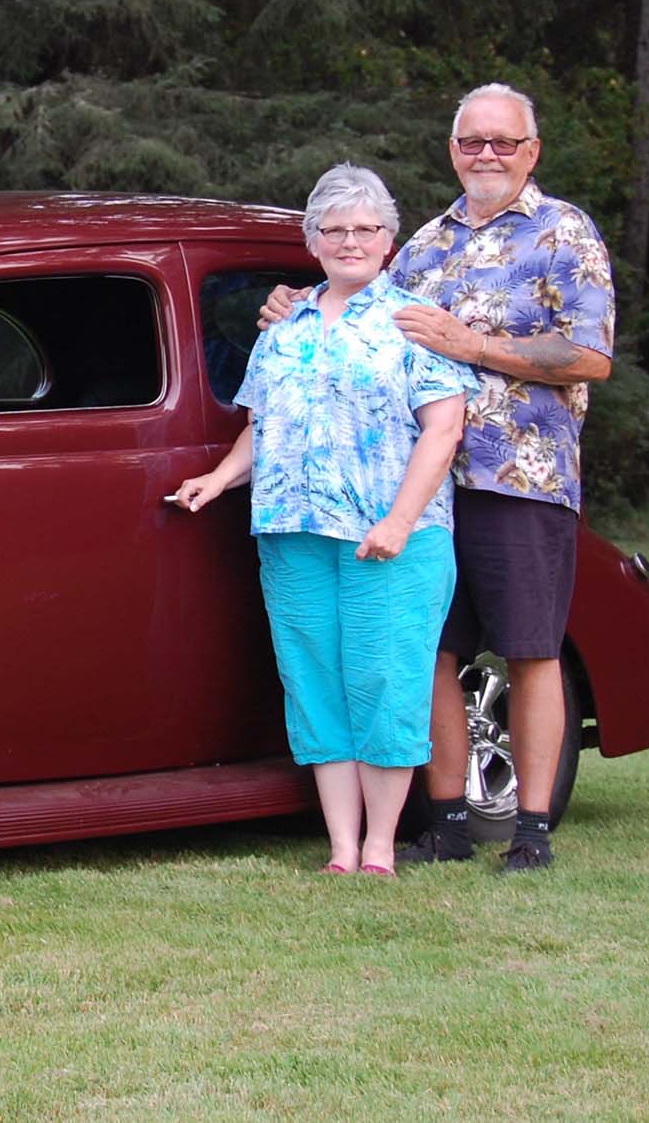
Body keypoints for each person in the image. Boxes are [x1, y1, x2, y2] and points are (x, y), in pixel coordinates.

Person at [262, 83, 616, 872]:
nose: (485, 154)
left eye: (502, 141)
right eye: (471, 141)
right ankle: (448, 823)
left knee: (529, 649)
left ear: (532, 151)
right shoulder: (424, 243)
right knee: (431, 654)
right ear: (452, 149)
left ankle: (530, 828)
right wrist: (292, 299)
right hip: (417, 486)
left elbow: (591, 356)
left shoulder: (563, 232)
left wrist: (472, 344)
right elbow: (361, 303)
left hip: (520, 477)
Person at [179, 164, 474, 877]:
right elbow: (262, 423)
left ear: (388, 238)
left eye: (365, 228)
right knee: (314, 683)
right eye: (335, 229)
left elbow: (443, 430)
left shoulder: (413, 324)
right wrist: (218, 478)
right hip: (293, 529)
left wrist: (401, 521)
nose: (350, 241)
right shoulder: (285, 328)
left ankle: (381, 847)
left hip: (389, 538)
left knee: (385, 680)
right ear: (312, 241)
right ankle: (342, 847)